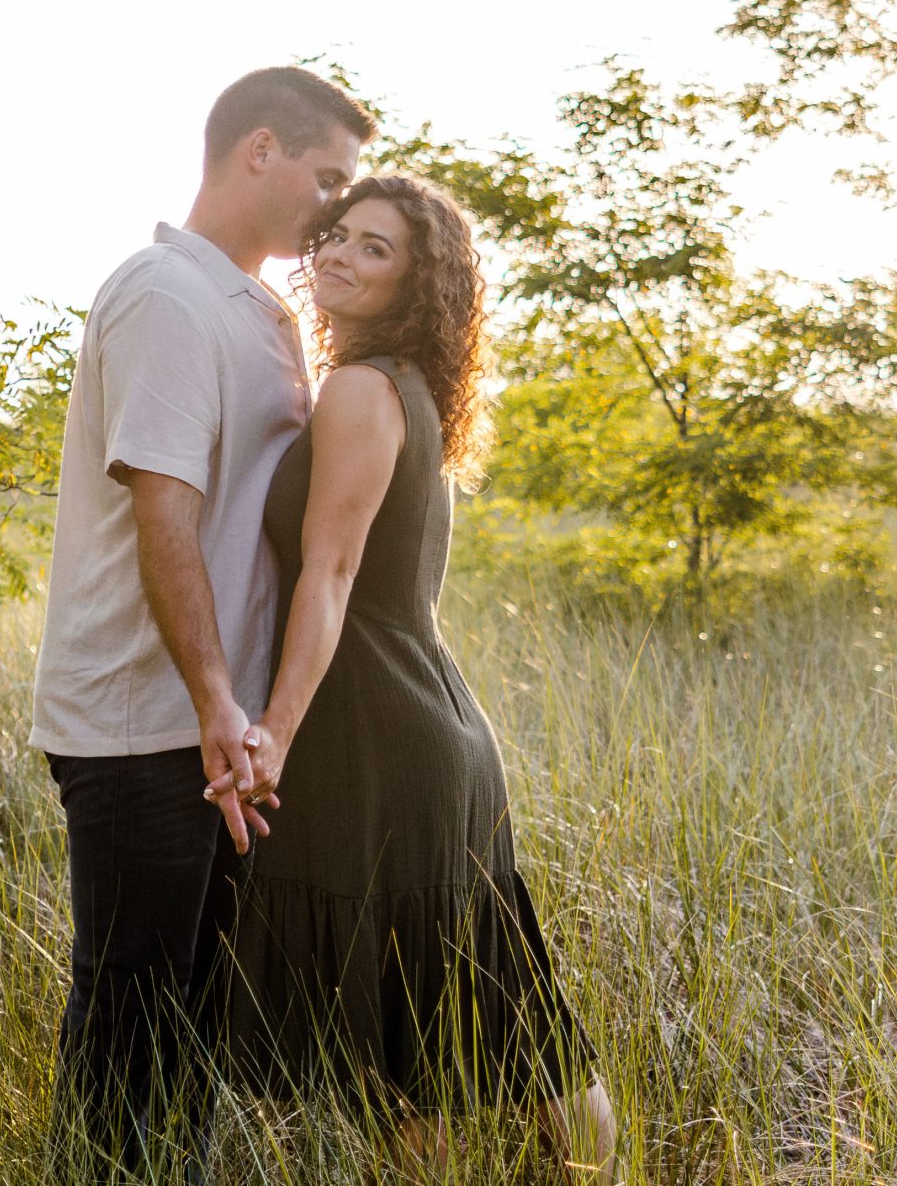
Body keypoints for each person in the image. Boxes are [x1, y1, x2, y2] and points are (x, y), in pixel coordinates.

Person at [224, 175, 619, 1177]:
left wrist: (269, 729)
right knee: (471, 1030)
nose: (343, 258)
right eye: (338, 237)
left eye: (376, 248)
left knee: (427, 1041)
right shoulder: (401, 385)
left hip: (377, 737)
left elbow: (333, 574)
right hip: (418, 725)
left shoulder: (359, 389)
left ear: (417, 282)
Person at [30, 65, 373, 1176]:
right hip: (145, 725)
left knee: (193, 1020)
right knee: (130, 1016)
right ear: (258, 148)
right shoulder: (164, 296)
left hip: (220, 732)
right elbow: (163, 520)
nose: (333, 205)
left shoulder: (264, 310)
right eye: (327, 177)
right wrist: (218, 700)